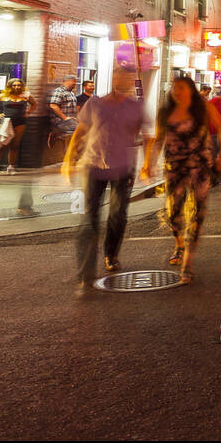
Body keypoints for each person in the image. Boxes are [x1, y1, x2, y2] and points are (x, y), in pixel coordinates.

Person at [63, 65, 146, 294]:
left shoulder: (136, 107)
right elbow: (80, 131)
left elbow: (142, 134)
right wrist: (69, 159)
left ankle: (111, 253)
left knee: (118, 214)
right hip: (93, 164)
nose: (126, 81)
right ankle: (85, 274)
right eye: (122, 76)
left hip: (123, 167)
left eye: (130, 78)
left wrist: (147, 162)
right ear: (114, 78)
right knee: (89, 219)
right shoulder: (96, 103)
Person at [144, 77, 221, 283]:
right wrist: (148, 163)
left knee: (198, 214)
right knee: (173, 214)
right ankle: (179, 242)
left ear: (190, 90)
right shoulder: (166, 112)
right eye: (174, 88)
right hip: (175, 168)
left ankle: (187, 263)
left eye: (180, 88)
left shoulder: (204, 108)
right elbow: (157, 138)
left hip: (200, 168)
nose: (176, 92)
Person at [0, 78, 35, 176]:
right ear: (10, 86)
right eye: (14, 85)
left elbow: (34, 104)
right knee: (1, 146)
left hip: (20, 122)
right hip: (5, 122)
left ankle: (11, 167)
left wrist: (28, 113)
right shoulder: (4, 95)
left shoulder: (26, 95)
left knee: (15, 146)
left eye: (19, 85)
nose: (17, 87)